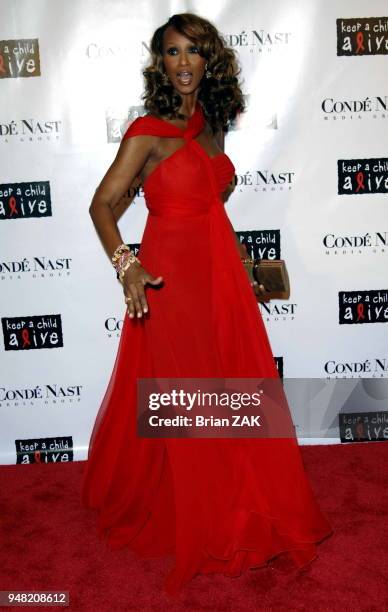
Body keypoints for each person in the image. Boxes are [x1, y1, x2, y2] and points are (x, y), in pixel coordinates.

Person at [81, 12, 333, 597]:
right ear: (160, 63)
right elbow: (102, 205)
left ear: (208, 58)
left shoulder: (209, 123)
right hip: (171, 278)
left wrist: (236, 264)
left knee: (229, 388)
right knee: (183, 392)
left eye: (193, 51)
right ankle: (190, 512)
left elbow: (212, 199)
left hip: (217, 271)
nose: (184, 63)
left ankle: (235, 501)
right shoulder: (145, 130)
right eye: (172, 53)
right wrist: (128, 265)